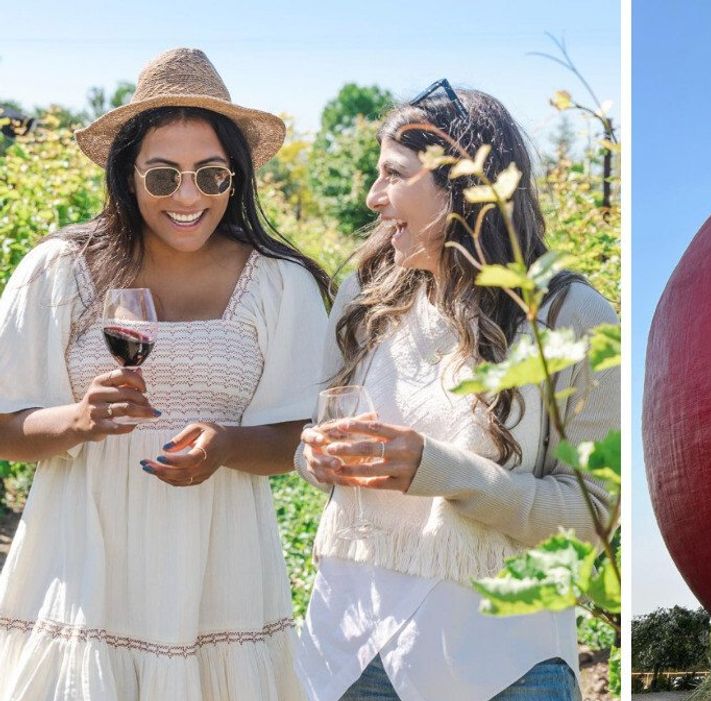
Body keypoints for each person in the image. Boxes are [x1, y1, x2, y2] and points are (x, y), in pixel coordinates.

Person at [0, 48, 330, 699]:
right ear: (128, 176)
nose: (187, 197)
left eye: (211, 176)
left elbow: (305, 435)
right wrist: (77, 420)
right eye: (163, 177)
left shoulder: (280, 284)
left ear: (235, 179)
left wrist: (230, 445)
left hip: (220, 587)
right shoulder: (57, 271)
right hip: (80, 578)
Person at [293, 82, 618, 701]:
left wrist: (440, 470)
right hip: (349, 642)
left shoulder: (570, 318)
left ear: (464, 185)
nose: (373, 197)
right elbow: (312, 442)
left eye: (394, 174)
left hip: (499, 659)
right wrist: (314, 458)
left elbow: (592, 517)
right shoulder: (365, 299)